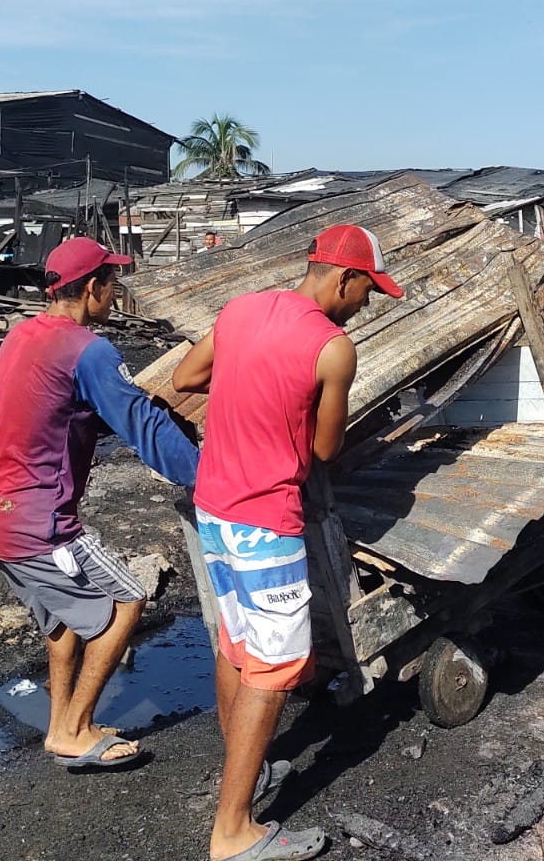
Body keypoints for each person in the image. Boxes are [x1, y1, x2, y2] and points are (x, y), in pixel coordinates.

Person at [171, 224, 404, 861]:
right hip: (265, 521)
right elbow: (326, 448)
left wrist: (245, 394)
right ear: (346, 278)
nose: (366, 304)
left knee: (237, 643)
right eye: (368, 291)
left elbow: (187, 379)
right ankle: (234, 830)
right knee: (276, 669)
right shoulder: (333, 347)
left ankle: (243, 770)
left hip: (214, 505)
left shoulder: (242, 308)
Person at [0, 237, 199, 768]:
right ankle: (73, 732)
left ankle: (63, 725)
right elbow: (141, 425)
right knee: (128, 601)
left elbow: (53, 407)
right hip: (40, 524)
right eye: (111, 283)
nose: (115, 293)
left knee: (63, 625)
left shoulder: (20, 337)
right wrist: (206, 476)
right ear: (93, 287)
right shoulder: (90, 350)